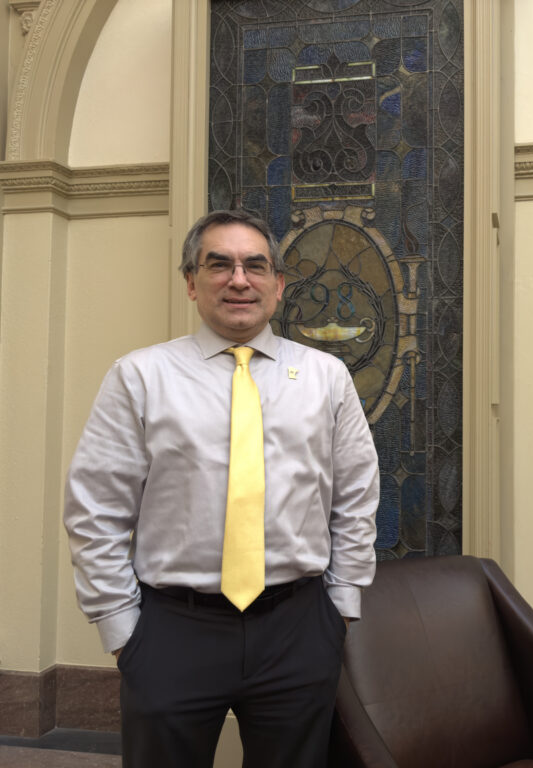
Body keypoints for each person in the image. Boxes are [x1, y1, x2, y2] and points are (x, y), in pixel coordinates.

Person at [64, 209, 379, 768]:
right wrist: (122, 631)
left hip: (298, 627)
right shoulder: (139, 377)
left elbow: (356, 497)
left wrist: (341, 608)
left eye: (255, 265)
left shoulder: (326, 377)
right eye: (219, 264)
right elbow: (96, 509)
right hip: (173, 630)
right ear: (191, 281)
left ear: (278, 285)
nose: (239, 279)